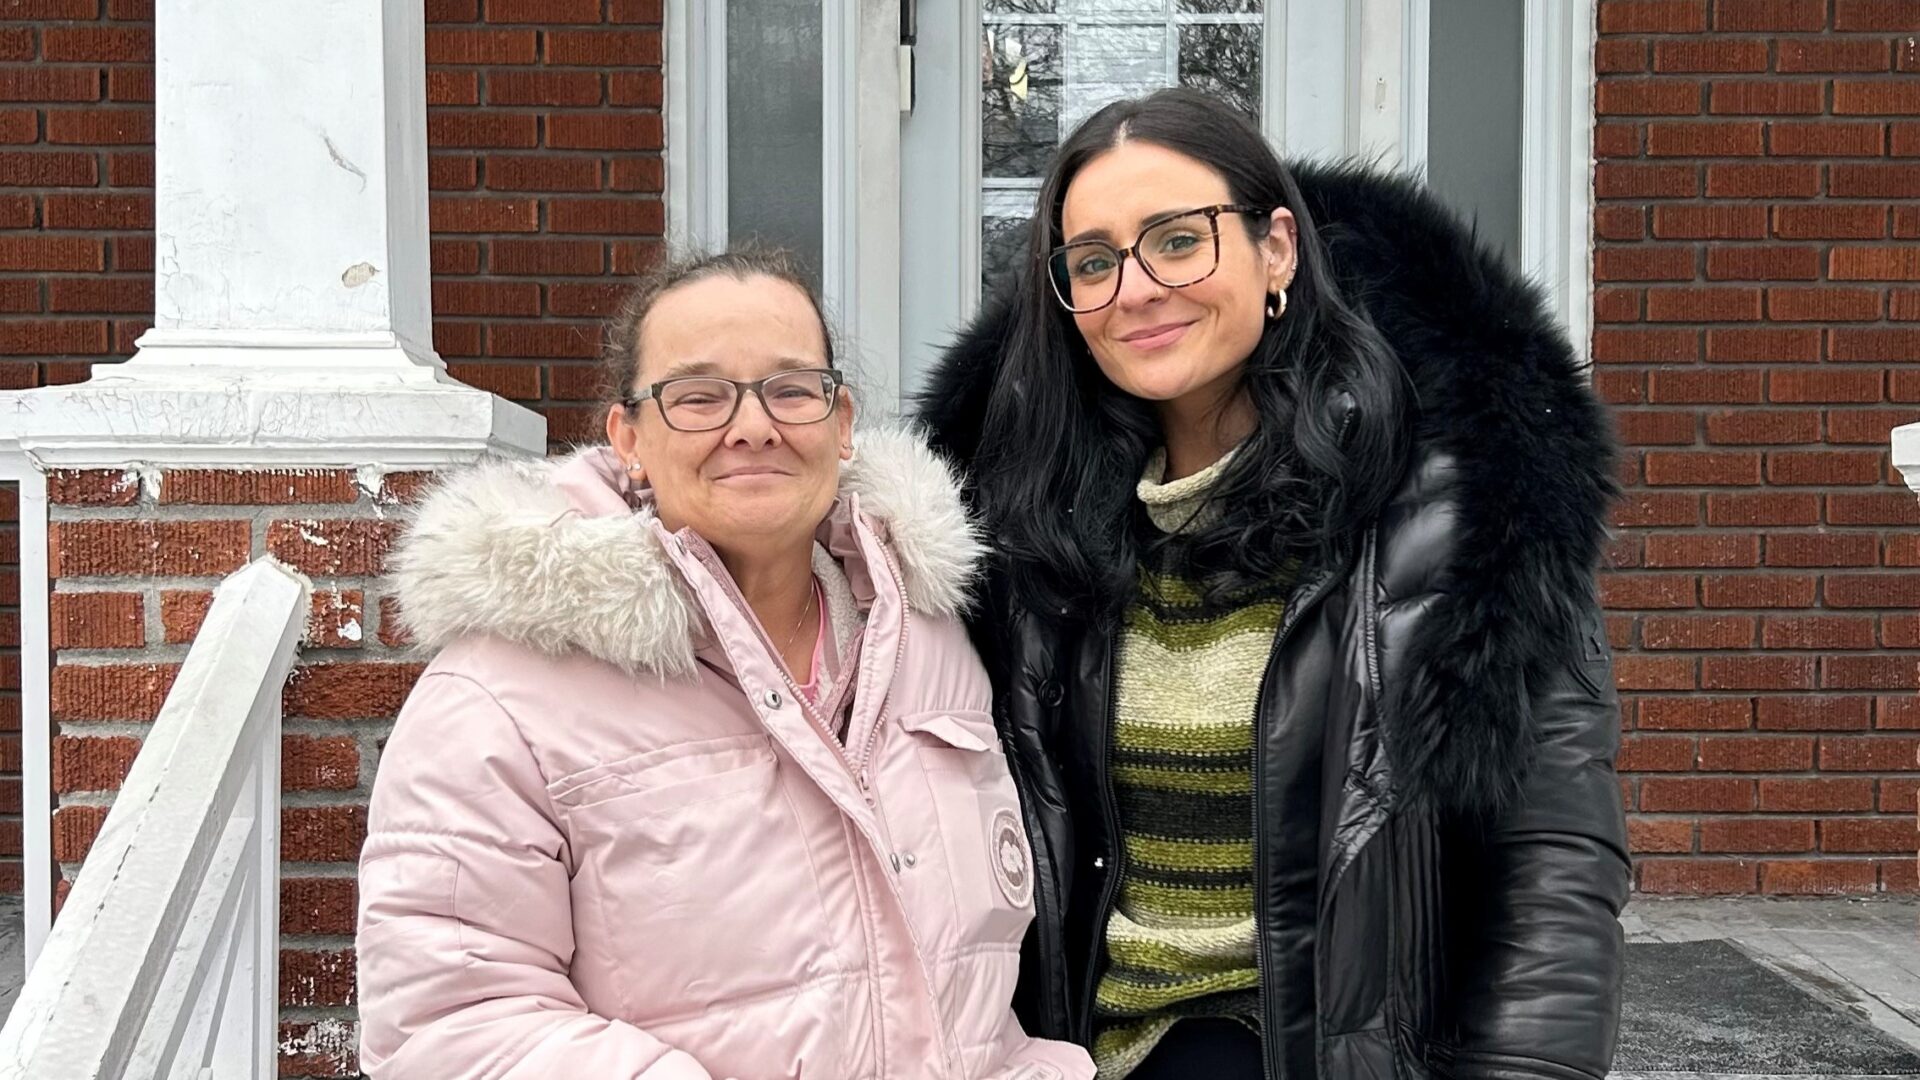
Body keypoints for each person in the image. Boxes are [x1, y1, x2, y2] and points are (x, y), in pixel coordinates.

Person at [918, 87, 1630, 1080]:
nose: (1137, 287)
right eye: (1093, 261)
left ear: (1278, 251)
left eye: (1178, 240)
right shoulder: (1017, 526)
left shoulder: (1455, 508)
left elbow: (1553, 861)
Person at [356, 248, 1095, 1080]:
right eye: (698, 396)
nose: (753, 426)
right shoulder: (500, 696)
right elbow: (450, 1025)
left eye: (790, 389)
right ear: (628, 437)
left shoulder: (932, 639)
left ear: (841, 420)